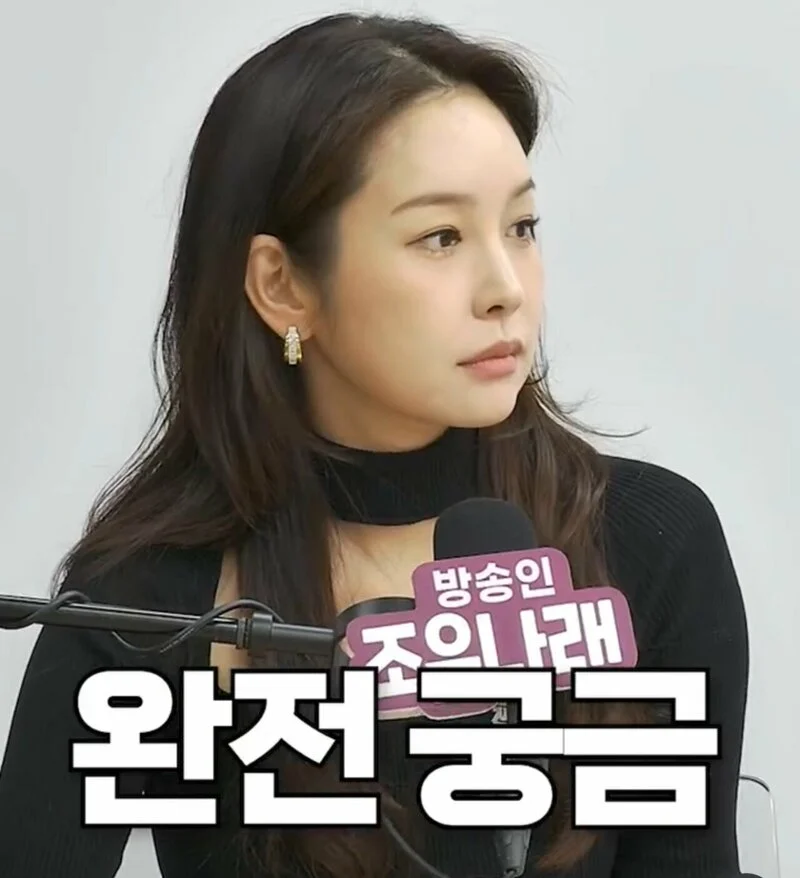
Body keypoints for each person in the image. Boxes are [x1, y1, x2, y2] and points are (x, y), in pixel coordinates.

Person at [0, 11, 749, 878]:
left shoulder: (649, 539)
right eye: (441, 237)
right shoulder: (145, 599)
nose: (506, 289)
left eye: (522, 227)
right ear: (283, 285)